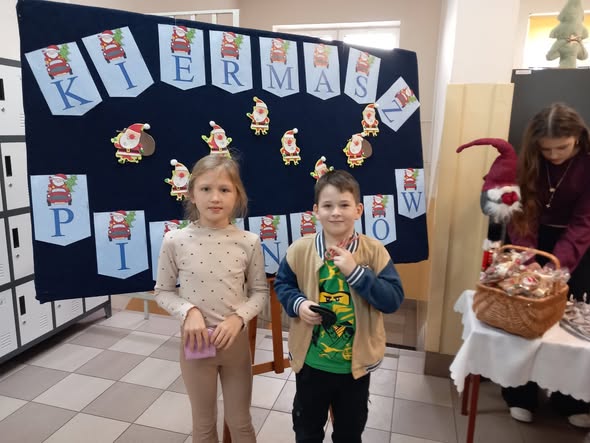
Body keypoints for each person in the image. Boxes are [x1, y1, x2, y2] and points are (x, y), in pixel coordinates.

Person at [274, 170, 405, 443]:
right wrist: (298, 304)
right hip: (311, 364)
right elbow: (283, 284)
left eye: (344, 205)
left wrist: (356, 272)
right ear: (315, 211)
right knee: (307, 431)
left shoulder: (374, 251)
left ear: (358, 210)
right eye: (327, 205)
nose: (336, 212)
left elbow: (392, 299)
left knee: (349, 433)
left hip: (354, 369)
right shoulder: (300, 249)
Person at [154, 154, 268, 443]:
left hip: (235, 347)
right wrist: (188, 311)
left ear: (237, 195)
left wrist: (239, 318)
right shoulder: (175, 240)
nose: (215, 198)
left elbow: (260, 292)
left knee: (240, 422)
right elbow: (163, 291)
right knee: (203, 425)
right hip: (196, 347)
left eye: (224, 189)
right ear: (192, 194)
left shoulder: (249, 241)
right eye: (206, 189)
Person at [504, 102, 590, 427]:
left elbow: (583, 223)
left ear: (578, 138)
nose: (554, 155)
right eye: (547, 149)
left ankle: (570, 398)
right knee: (523, 318)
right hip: (529, 237)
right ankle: (519, 394)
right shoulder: (528, 161)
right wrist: (528, 261)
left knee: (572, 322)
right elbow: (521, 212)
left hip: (577, 246)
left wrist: (557, 267)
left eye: (562, 148)